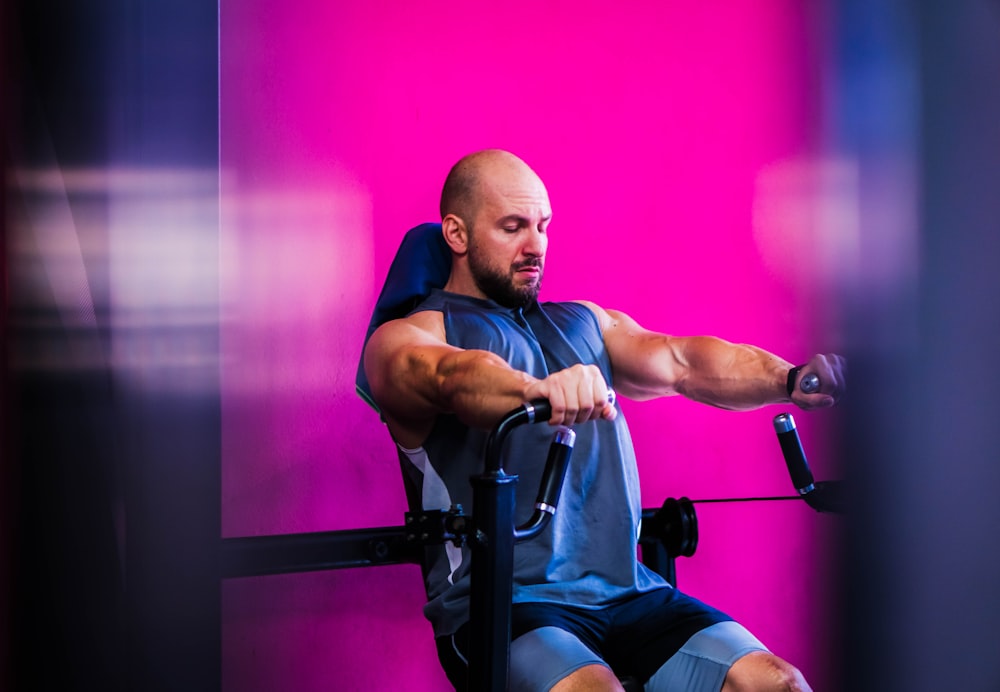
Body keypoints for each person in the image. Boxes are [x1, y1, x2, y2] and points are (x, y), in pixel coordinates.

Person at [362, 149, 845, 692]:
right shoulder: (408, 338)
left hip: (628, 594)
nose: (535, 246)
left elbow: (683, 362)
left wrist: (791, 378)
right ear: (456, 233)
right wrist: (537, 391)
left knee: (779, 684)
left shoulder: (585, 323)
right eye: (513, 227)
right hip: (503, 608)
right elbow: (454, 378)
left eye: (543, 226)